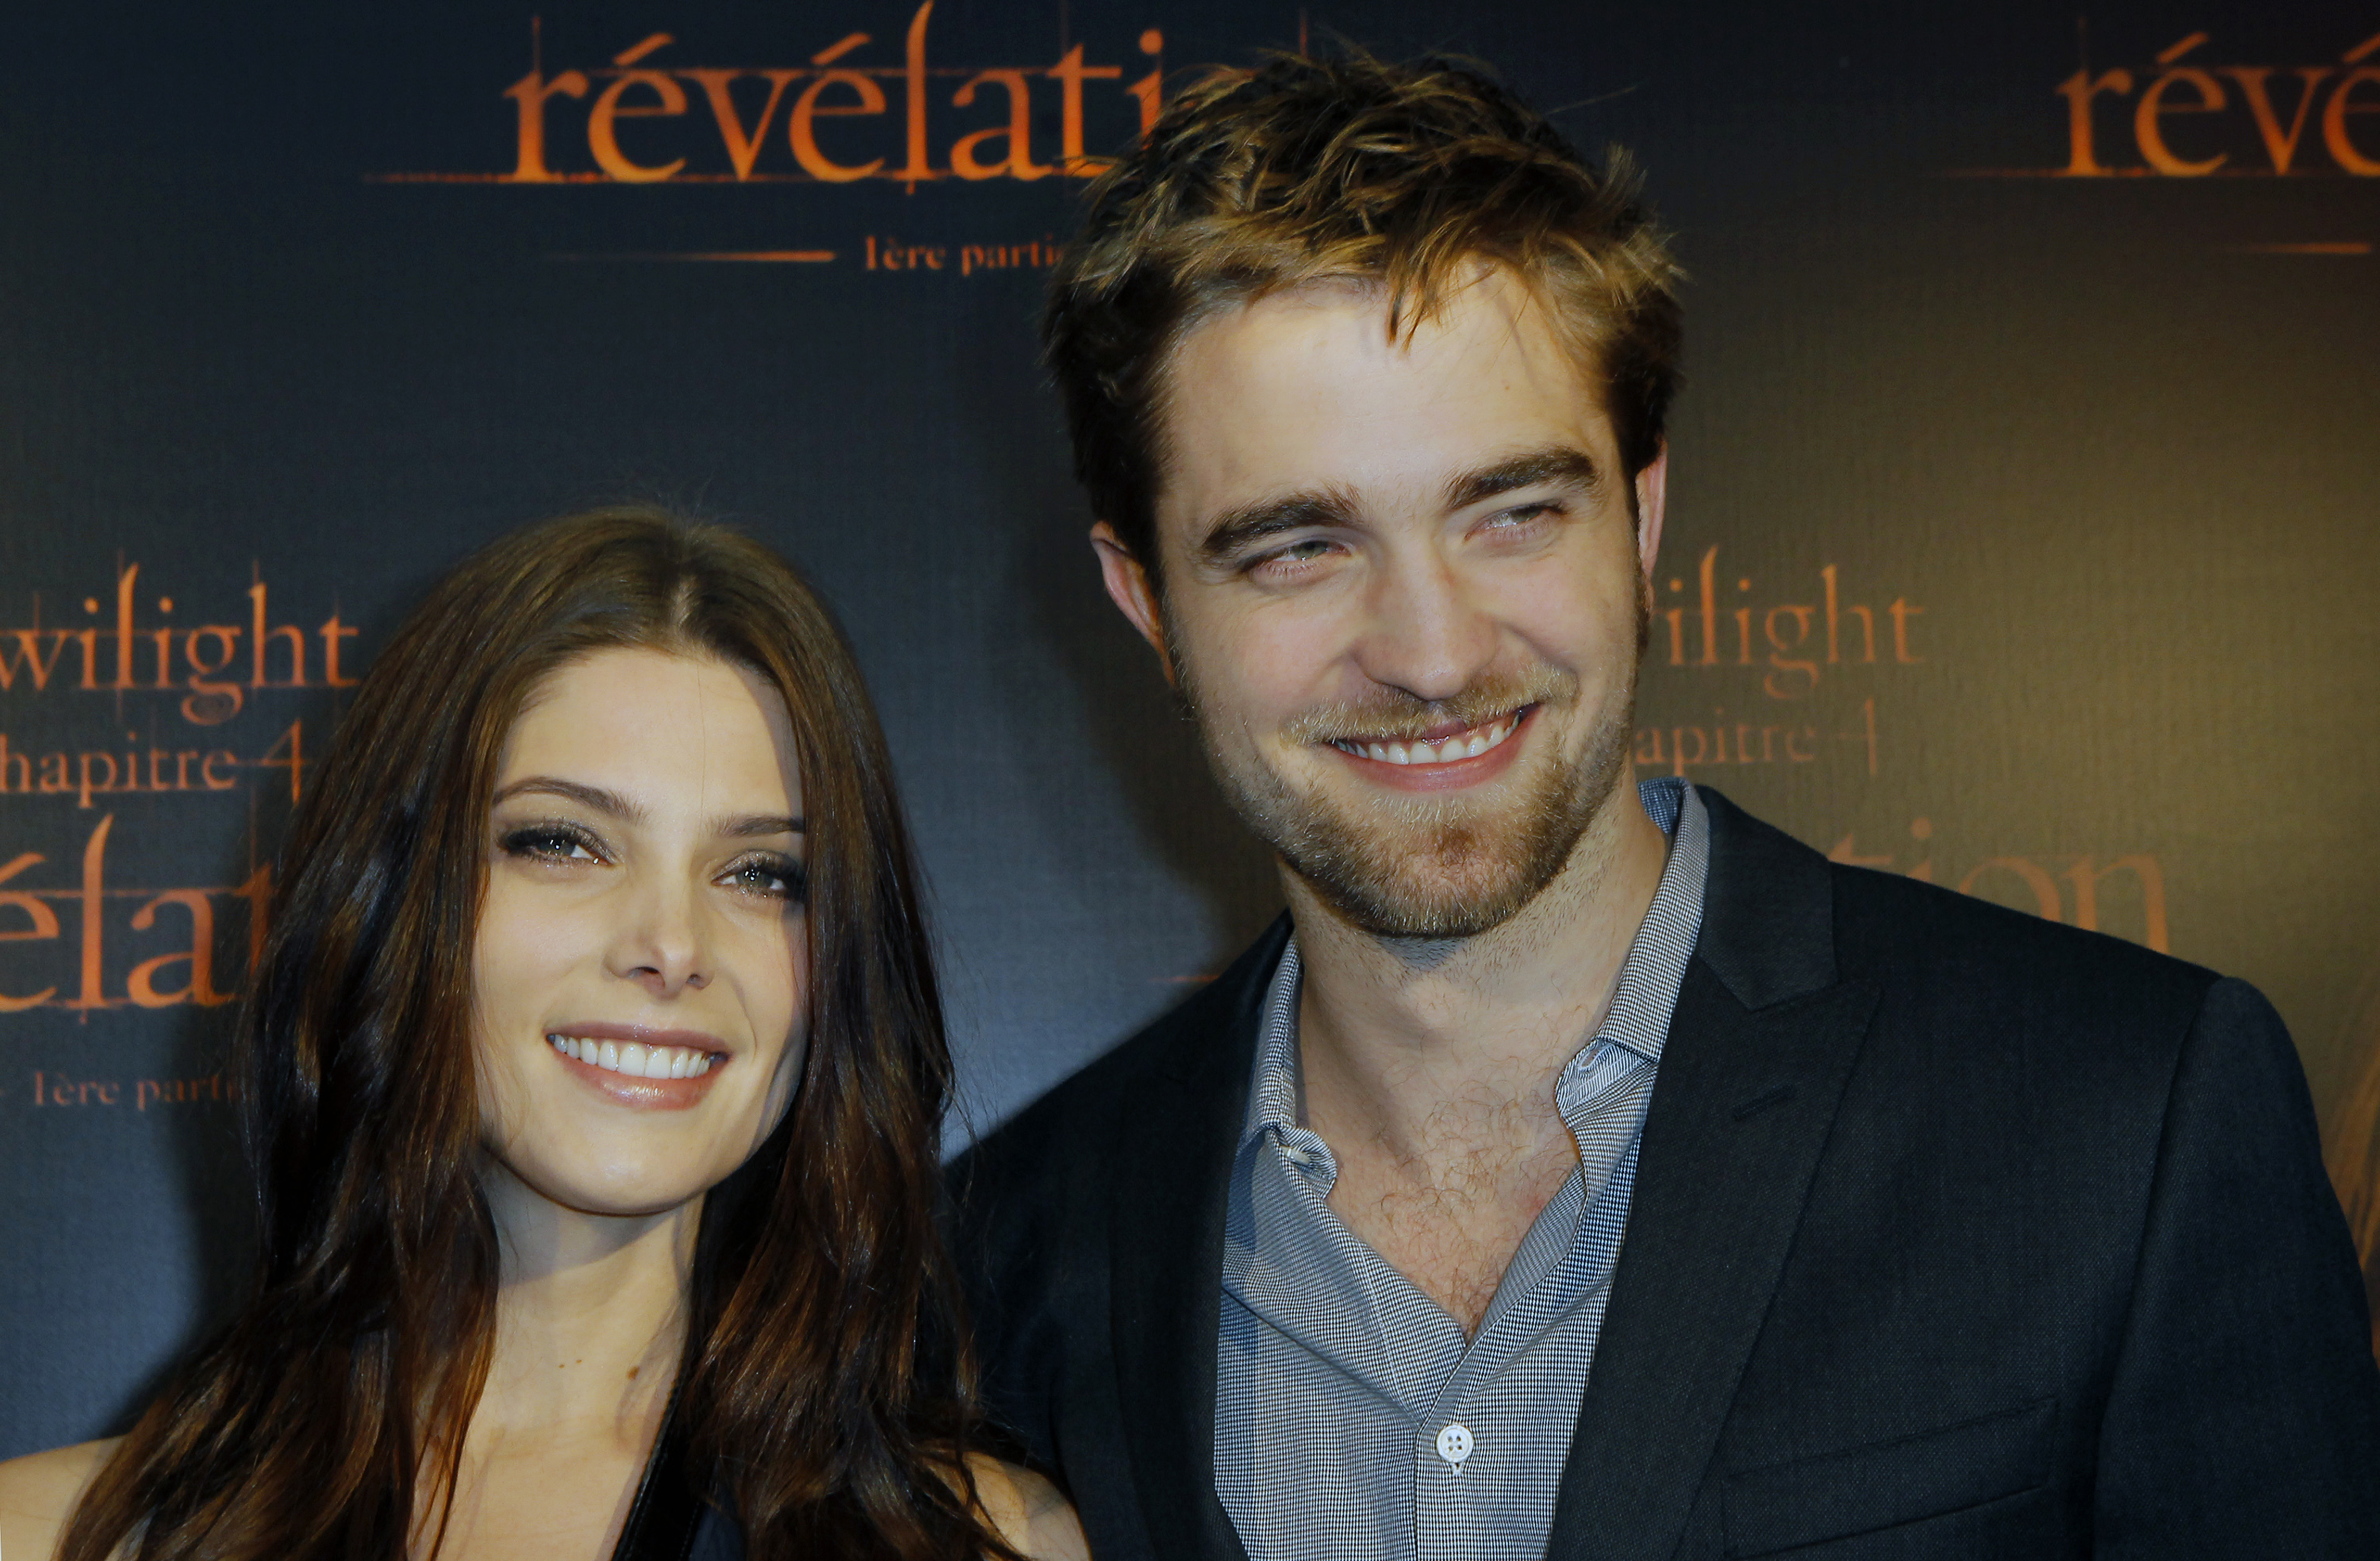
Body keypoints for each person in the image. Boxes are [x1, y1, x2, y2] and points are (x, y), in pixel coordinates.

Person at [948, 50, 2380, 1561]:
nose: (1431, 654)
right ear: (1145, 601)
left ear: (1637, 520)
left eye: (1511, 513)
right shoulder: (993, 1269)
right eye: (1298, 548)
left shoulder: (2122, 1120)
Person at [0, 513, 1086, 1561]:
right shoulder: (53, 1536)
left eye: (762, 874)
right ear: (394, 901)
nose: (672, 945)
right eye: (563, 844)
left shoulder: (982, 1544)